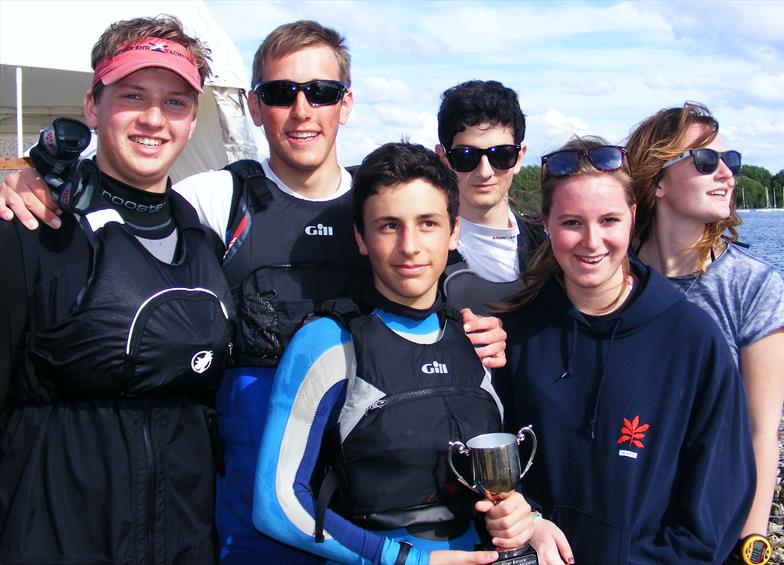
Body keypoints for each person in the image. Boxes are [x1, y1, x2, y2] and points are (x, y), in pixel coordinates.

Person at [0, 20, 508, 564]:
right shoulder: (216, 198)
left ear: (347, 103)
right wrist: (33, 181)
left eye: (322, 92)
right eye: (280, 93)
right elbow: (121, 204)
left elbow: (447, 290)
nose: (302, 109)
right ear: (254, 105)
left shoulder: (384, 202)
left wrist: (483, 330)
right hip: (248, 516)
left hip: (369, 518)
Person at [252, 141, 572, 565]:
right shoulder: (329, 343)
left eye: (427, 224)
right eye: (388, 225)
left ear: (453, 231)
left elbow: (497, 485)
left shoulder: (477, 340)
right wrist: (402, 559)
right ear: (360, 238)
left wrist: (523, 515)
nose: (410, 246)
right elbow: (276, 507)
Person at [0, 16, 234, 564]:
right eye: (133, 95)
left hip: (182, 541)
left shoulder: (203, 243)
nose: (154, 119)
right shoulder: (32, 228)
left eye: (175, 102)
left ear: (192, 119)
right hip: (52, 538)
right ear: (92, 106)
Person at [494, 136, 756, 564]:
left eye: (609, 220)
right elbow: (494, 461)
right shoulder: (516, 332)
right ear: (546, 222)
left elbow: (717, 500)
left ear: (633, 218)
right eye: (572, 222)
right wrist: (530, 521)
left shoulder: (691, 338)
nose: (592, 241)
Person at [625, 102, 784, 564]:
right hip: (623, 506)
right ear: (656, 180)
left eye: (730, 161)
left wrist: (752, 542)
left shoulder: (752, 287)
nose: (726, 173)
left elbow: (762, 430)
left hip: (709, 521)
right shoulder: (613, 277)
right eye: (704, 161)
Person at [435, 80, 545, 315]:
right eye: (466, 156)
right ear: (443, 159)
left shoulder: (549, 246)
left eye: (502, 155)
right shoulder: (427, 251)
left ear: (520, 158)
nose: (485, 171)